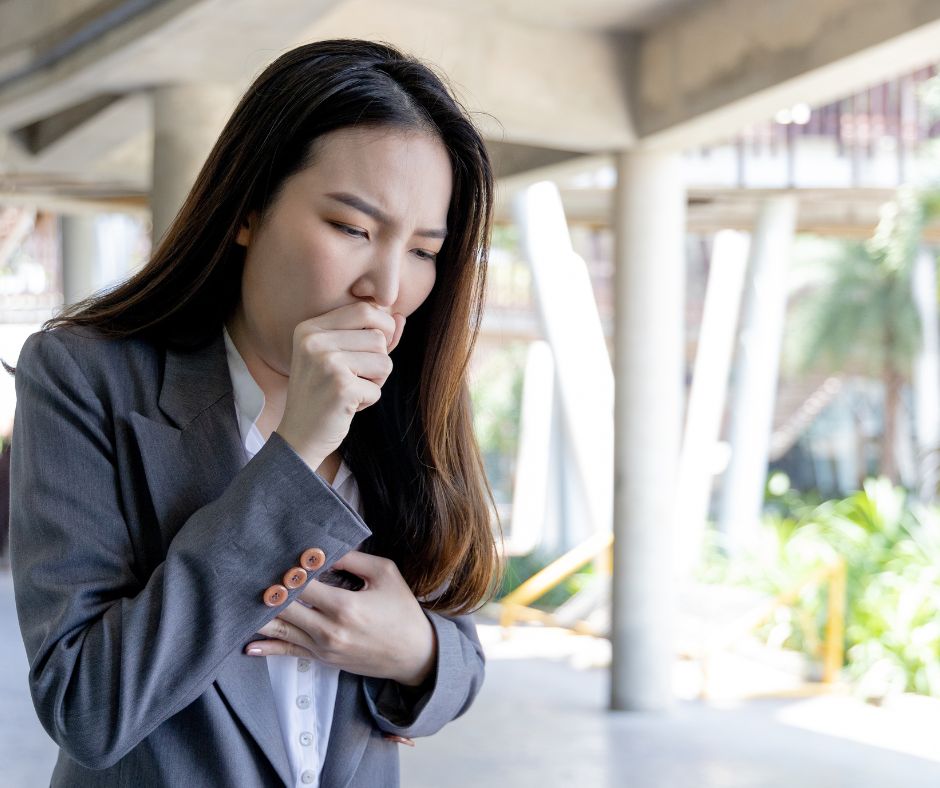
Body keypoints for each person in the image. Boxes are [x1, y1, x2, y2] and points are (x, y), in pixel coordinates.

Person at [9, 38, 502, 788]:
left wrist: (418, 654)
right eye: (352, 229)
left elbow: (460, 654)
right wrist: (296, 452)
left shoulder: (404, 400)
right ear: (249, 209)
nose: (387, 285)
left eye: (425, 250)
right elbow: (87, 706)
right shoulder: (86, 376)